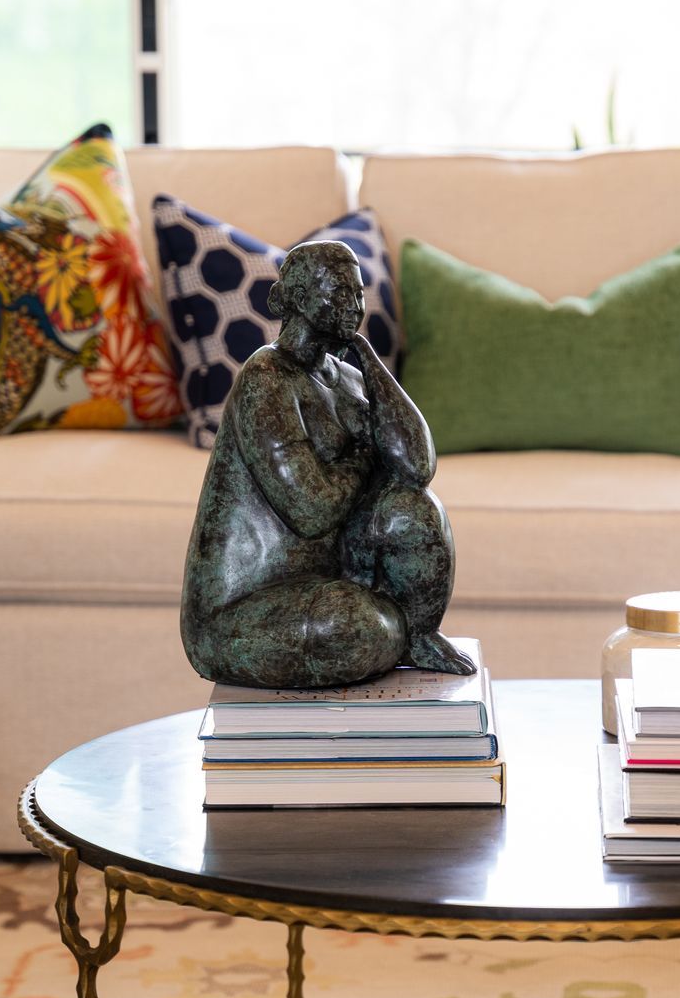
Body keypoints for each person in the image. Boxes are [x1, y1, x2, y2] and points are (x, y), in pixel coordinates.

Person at [181, 241, 474, 687]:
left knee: (416, 510)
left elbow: (417, 467)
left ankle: (413, 635)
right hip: (247, 610)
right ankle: (393, 631)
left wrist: (371, 363)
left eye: (358, 294)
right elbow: (310, 511)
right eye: (337, 293)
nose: (353, 307)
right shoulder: (267, 376)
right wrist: (361, 457)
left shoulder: (348, 378)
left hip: (329, 584)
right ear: (297, 299)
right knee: (350, 628)